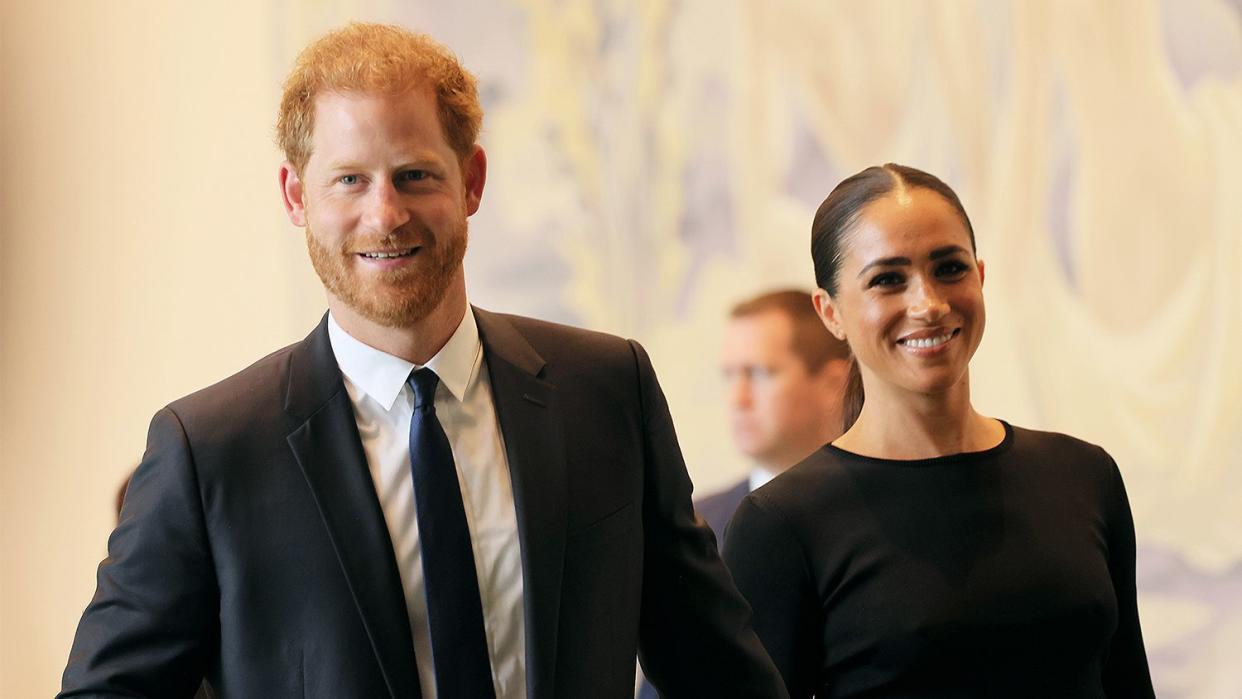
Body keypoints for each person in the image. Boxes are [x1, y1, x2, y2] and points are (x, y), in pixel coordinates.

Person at [60, 23, 786, 699]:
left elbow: (716, 669)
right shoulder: (209, 450)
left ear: (471, 180)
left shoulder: (605, 390)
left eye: (414, 175)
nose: (385, 214)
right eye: (348, 180)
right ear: (295, 196)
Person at [722, 163, 1155, 697]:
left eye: (949, 269)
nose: (927, 304)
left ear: (980, 276)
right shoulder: (783, 524)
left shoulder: (1084, 476)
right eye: (888, 280)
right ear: (830, 312)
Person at [699, 290, 850, 537]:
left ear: (834, 384)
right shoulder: (696, 528)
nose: (738, 399)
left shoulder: (881, 510)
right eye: (730, 376)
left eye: (758, 373)